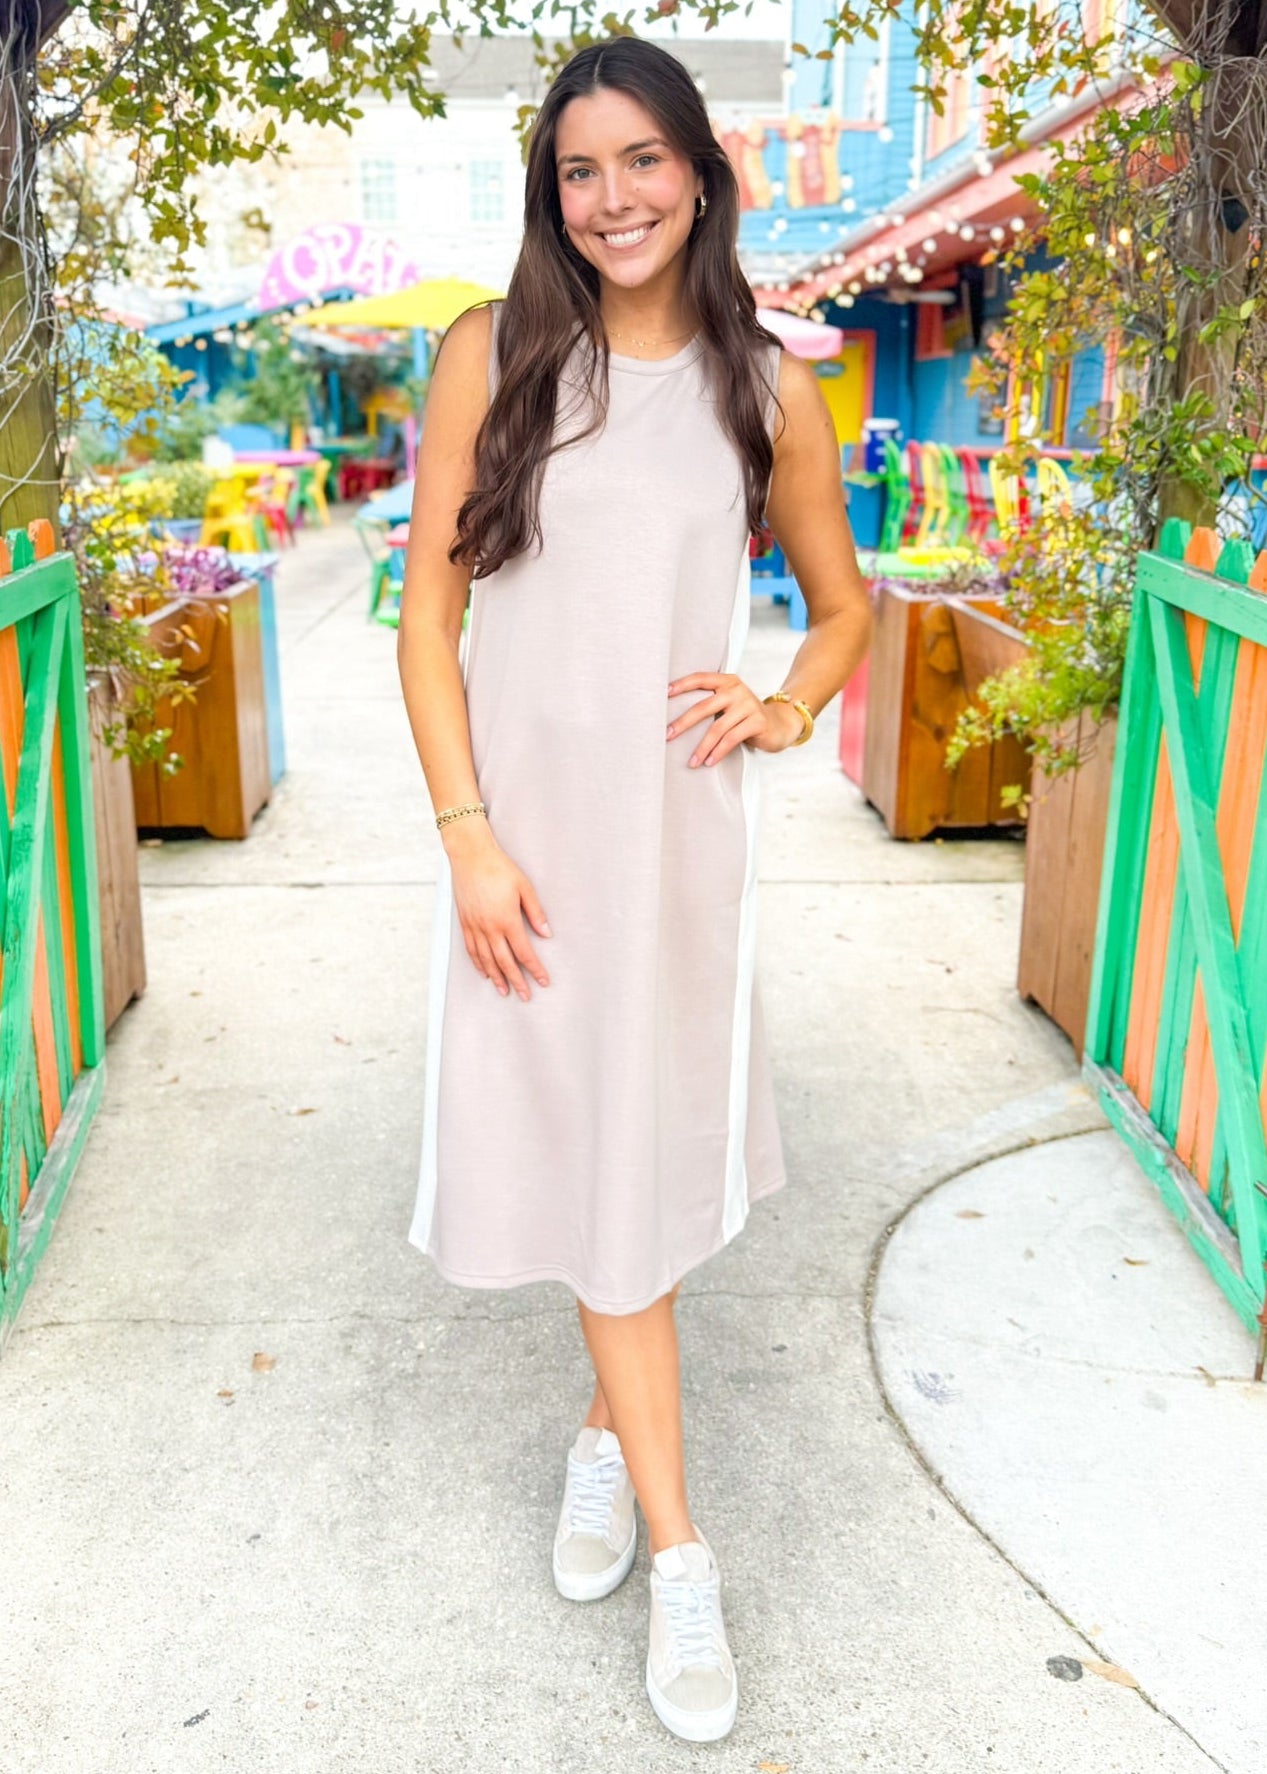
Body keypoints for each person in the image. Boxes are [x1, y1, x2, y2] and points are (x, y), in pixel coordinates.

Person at [396, 35, 871, 1745]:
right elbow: (430, 617)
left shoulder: (769, 387)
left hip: (676, 849)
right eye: (581, 170)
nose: (614, 199)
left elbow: (843, 606)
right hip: (522, 857)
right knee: (590, 1167)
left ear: (701, 172)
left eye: (644, 161)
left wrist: (785, 706)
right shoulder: (492, 352)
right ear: (552, 191)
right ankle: (682, 1545)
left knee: (640, 1168)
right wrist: (466, 833)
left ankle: (615, 1456)